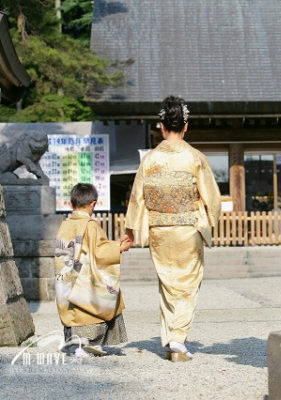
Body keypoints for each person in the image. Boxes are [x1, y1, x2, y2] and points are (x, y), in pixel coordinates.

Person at [123, 96, 221, 362]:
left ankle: (171, 341)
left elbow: (137, 197)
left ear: (161, 126)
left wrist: (131, 229)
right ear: (185, 126)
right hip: (188, 229)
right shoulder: (195, 158)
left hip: (159, 230)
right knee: (187, 285)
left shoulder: (150, 159)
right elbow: (212, 198)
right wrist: (210, 222)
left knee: (167, 283)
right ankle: (178, 339)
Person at [54, 183, 131, 357]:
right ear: (93, 204)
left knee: (73, 311)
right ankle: (87, 345)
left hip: (67, 279)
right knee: (100, 302)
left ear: (71, 204)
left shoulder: (64, 225)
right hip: (85, 280)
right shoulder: (90, 225)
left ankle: (73, 344)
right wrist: (119, 247)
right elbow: (100, 251)